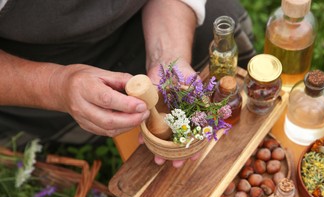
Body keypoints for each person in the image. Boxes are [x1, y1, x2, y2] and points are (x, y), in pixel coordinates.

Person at [0, 0, 255, 167]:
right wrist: (55, 85)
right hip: (39, 58)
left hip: (150, 13)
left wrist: (166, 56)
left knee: (218, 21)